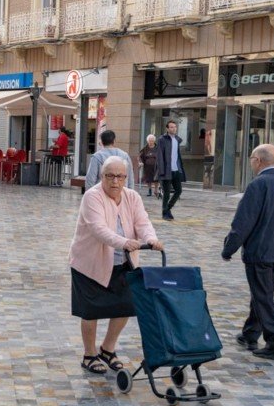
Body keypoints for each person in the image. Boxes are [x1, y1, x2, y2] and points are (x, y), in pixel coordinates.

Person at [69, 156, 164, 374]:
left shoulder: (132, 197)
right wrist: (125, 242)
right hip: (89, 263)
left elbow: (143, 222)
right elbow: (98, 229)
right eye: (110, 176)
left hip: (123, 263)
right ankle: (89, 354)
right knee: (90, 310)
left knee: (126, 305)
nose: (115, 181)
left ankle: (107, 349)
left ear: (126, 178)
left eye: (120, 176)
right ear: (102, 176)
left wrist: (150, 239)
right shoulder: (92, 196)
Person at [221, 144, 274, 362]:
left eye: (251, 158)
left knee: (263, 298)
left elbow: (242, 223)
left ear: (258, 160)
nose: (251, 162)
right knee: (262, 294)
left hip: (260, 253)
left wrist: (228, 249)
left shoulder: (257, 185)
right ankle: (250, 334)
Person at [156, 120, 186, 220]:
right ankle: (165, 214)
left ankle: (167, 208)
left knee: (178, 190)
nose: (174, 129)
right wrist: (161, 171)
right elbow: (159, 156)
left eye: (175, 127)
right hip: (166, 170)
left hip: (176, 170)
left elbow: (177, 156)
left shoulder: (177, 139)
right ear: (167, 129)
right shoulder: (162, 139)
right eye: (172, 127)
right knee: (167, 193)